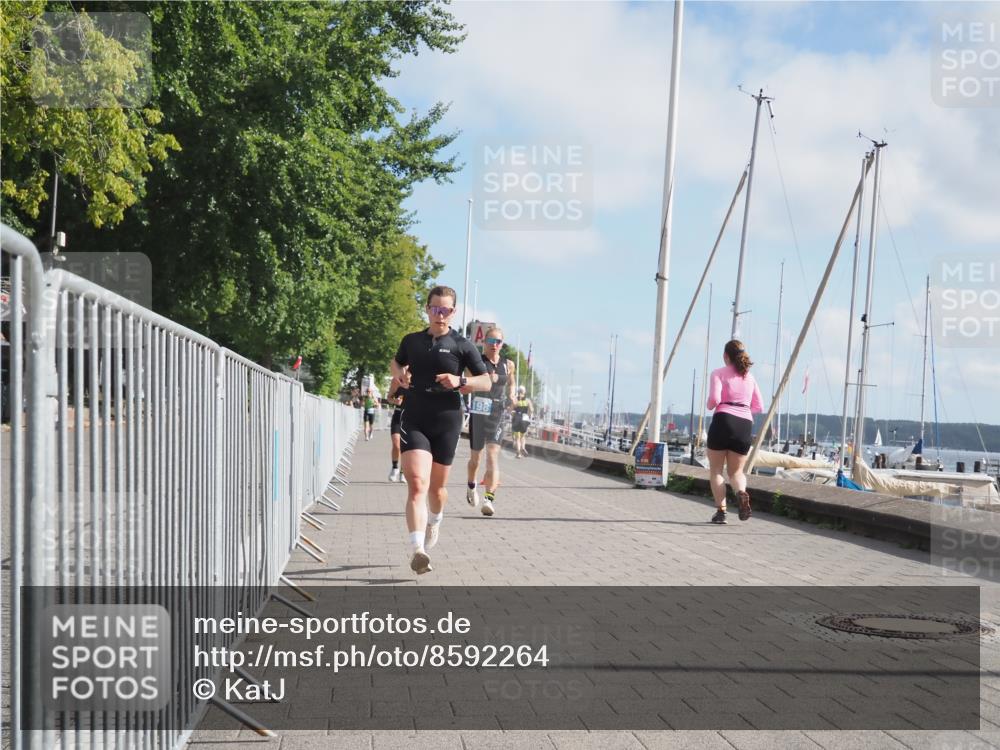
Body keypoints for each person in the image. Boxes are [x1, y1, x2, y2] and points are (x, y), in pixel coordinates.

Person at [390, 286, 492, 574]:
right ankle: (418, 550)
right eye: (435, 308)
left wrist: (460, 381)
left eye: (446, 309)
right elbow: (397, 361)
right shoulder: (412, 341)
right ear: (427, 309)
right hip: (415, 415)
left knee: (437, 490)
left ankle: (435, 520)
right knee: (417, 485)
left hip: (447, 419)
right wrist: (397, 373)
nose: (440, 314)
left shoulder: (462, 345)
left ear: (454, 312)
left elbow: (485, 381)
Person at [705, 339, 764, 524]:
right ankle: (741, 493)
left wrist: (711, 405)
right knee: (736, 472)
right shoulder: (750, 377)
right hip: (744, 424)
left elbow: (714, 399)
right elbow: (759, 406)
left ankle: (721, 512)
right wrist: (743, 411)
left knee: (716, 471)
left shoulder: (718, 373)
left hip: (723, 420)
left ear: (725, 356)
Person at [463, 328, 515, 517]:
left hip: (497, 414)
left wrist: (511, 396)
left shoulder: (508, 364)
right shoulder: (477, 363)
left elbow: (511, 383)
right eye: (491, 340)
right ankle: (471, 485)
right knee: (476, 459)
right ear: (484, 342)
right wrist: (479, 382)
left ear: (502, 344)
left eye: (498, 341)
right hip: (479, 412)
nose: (494, 344)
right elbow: (466, 384)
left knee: (492, 456)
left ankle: (489, 499)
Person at [386, 379, 407, 483]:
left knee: (405, 447)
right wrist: (395, 401)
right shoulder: (396, 381)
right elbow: (389, 398)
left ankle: (403, 473)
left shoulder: (417, 379)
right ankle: (395, 468)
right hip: (398, 416)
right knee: (396, 445)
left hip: (410, 417)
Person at [511, 386, 534, 458]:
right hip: (524, 418)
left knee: (517, 437)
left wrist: (513, 413)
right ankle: (523, 447)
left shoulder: (515, 400)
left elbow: (511, 410)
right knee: (523, 436)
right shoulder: (527, 400)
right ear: (524, 392)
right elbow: (531, 410)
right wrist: (529, 415)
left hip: (517, 418)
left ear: (518, 392)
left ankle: (518, 453)